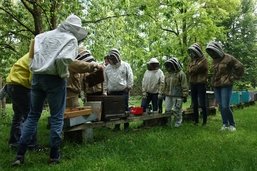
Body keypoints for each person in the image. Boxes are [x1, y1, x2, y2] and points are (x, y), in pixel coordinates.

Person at [12, 14, 88, 166]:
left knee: (32, 116)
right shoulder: (70, 39)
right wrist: (62, 74)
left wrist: (36, 69)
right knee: (57, 117)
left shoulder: (41, 36)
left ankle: (19, 156)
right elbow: (62, 60)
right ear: (76, 30)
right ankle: (54, 156)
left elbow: (32, 57)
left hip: (37, 77)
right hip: (54, 79)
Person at [206, 41, 244, 131]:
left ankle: (232, 124)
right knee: (221, 106)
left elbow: (240, 66)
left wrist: (233, 77)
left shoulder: (229, 58)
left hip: (226, 85)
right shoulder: (214, 60)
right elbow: (214, 72)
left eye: (213, 51)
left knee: (225, 106)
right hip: (216, 85)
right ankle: (224, 124)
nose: (212, 53)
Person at [5, 53, 37, 148]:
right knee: (30, 115)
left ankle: (14, 142)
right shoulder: (37, 56)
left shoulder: (30, 54)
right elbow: (32, 79)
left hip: (12, 85)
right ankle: (31, 144)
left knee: (18, 115)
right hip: (21, 86)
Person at [103, 48, 133, 131]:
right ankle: (117, 127)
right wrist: (105, 90)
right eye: (111, 58)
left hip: (123, 91)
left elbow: (130, 76)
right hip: (111, 92)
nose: (112, 60)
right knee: (114, 110)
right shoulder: (107, 68)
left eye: (113, 58)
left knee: (125, 109)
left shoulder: (126, 65)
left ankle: (126, 126)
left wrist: (129, 87)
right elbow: (105, 80)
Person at [163, 57, 188, 127]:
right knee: (167, 109)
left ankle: (178, 123)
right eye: (168, 66)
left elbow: (184, 85)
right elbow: (164, 85)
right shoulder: (167, 74)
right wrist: (163, 94)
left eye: (170, 65)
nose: (168, 67)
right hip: (168, 95)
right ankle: (168, 123)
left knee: (177, 110)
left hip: (178, 95)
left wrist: (185, 95)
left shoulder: (181, 74)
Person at [187, 43, 209, 126]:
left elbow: (201, 68)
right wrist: (193, 69)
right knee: (195, 103)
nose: (193, 53)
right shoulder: (192, 61)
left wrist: (193, 69)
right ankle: (196, 121)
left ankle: (204, 121)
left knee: (203, 103)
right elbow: (189, 70)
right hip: (193, 83)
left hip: (201, 83)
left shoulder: (204, 60)